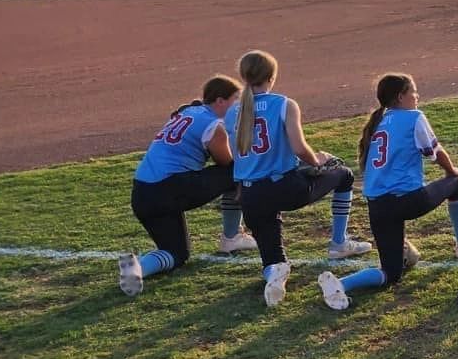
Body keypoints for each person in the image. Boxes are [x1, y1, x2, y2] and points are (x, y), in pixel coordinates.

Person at [315, 73, 458, 311]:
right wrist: (452, 171)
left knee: (390, 273)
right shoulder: (414, 117)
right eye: (413, 91)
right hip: (408, 201)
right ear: (400, 97)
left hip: (377, 206)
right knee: (457, 182)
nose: (417, 96)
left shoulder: (377, 122)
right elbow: (435, 152)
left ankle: (341, 284)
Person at [226, 49, 371, 309]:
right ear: (271, 76)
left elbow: (237, 156)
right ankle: (339, 243)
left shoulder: (232, 112)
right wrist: (318, 161)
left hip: (250, 195)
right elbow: (299, 148)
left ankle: (275, 274)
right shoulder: (284, 104)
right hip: (286, 188)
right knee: (344, 175)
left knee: (273, 259)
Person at [117, 74, 253, 296]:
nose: (238, 107)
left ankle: (138, 267)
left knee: (177, 253)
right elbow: (226, 162)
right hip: (168, 188)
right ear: (220, 101)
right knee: (237, 171)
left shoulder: (189, 112)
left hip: (142, 194)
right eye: (235, 101)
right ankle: (232, 237)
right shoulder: (214, 125)